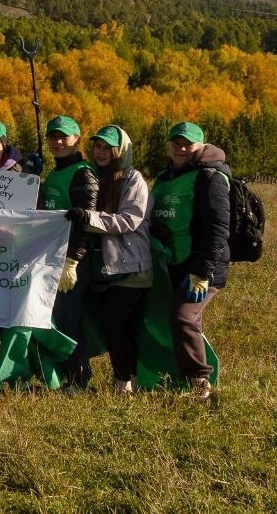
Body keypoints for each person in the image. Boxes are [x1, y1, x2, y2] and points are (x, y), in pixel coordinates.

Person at [60, 125, 152, 394]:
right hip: (106, 268)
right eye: (97, 146)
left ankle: (124, 381)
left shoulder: (132, 179)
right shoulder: (94, 177)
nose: (101, 152)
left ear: (120, 150)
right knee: (112, 326)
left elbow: (129, 219)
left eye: (107, 147)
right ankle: (126, 378)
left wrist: (89, 218)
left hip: (131, 266)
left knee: (115, 323)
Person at [149, 121, 230, 399]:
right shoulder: (164, 177)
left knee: (183, 317)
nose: (182, 148)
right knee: (173, 319)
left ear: (201, 146)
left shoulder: (211, 177)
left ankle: (200, 383)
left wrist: (203, 272)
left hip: (200, 267)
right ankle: (167, 375)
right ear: (169, 145)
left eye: (188, 144)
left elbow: (218, 228)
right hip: (170, 263)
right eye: (176, 143)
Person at [39, 115, 99, 388]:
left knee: (70, 321)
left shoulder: (83, 172)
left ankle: (78, 377)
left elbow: (87, 221)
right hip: (53, 258)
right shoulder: (56, 171)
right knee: (60, 320)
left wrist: (74, 260)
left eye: (64, 136)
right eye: (53, 136)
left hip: (72, 262)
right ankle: (66, 375)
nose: (58, 141)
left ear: (77, 138)